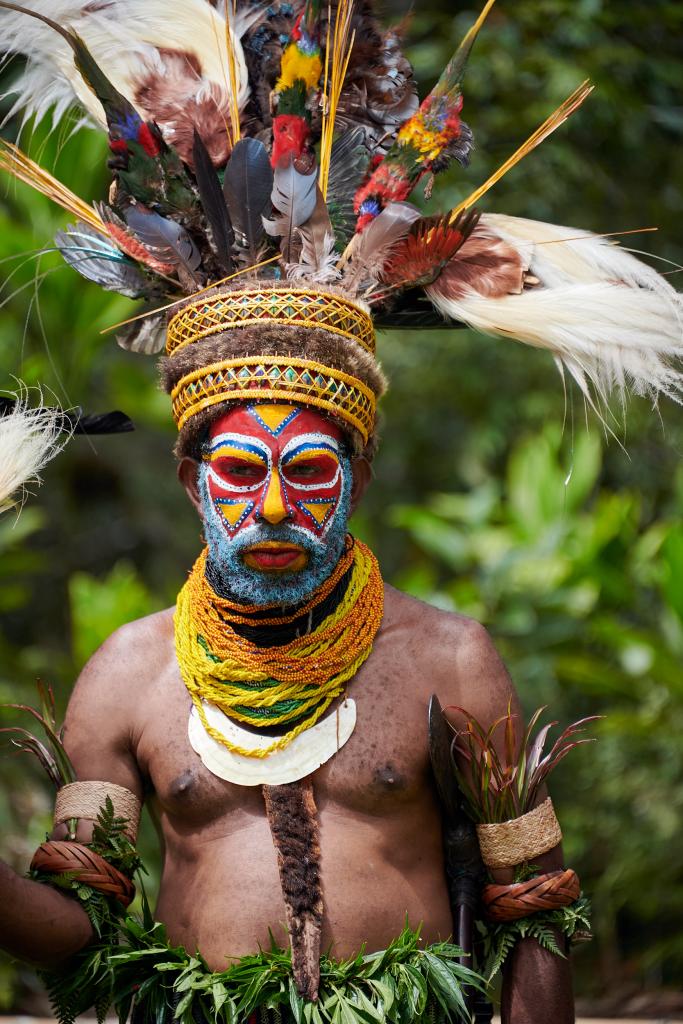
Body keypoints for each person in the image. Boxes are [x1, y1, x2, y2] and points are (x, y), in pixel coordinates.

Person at [0, 1, 680, 1022]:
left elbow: (527, 911)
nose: (272, 505)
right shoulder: (128, 676)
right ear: (192, 483)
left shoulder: (448, 660)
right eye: (238, 471)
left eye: (308, 471)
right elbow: (77, 930)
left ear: (358, 476)